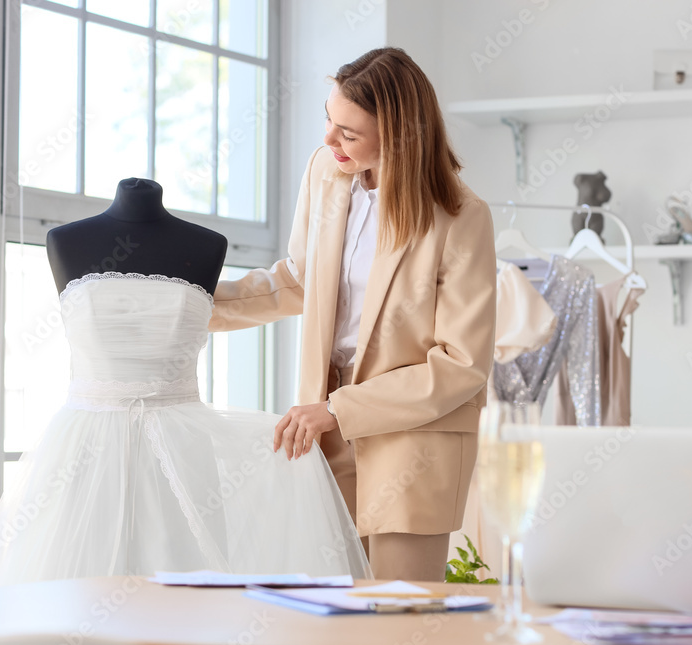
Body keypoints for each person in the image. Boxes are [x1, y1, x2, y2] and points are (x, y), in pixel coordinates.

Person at [0, 178, 371, 588]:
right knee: (74, 580)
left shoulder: (207, 246)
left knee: (185, 575)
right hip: (86, 442)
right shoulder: (64, 241)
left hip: (182, 439)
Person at [209, 47, 496, 581]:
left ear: (401, 133)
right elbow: (299, 280)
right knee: (325, 611)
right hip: (322, 429)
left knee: (395, 628)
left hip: (414, 442)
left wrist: (340, 408)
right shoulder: (326, 172)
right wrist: (196, 307)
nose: (328, 141)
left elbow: (461, 364)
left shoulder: (461, 216)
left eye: (349, 133)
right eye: (328, 119)